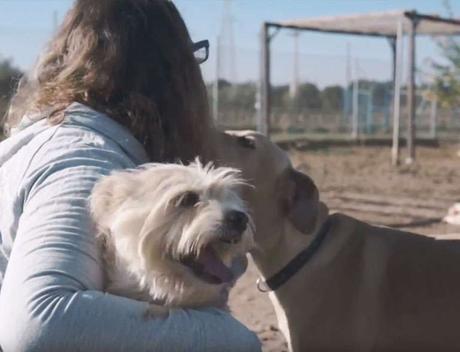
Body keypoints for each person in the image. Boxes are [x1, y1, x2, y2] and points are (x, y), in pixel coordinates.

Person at [0, 1, 261, 351]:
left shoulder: (55, 138)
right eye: (193, 61)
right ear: (172, 76)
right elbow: (40, 323)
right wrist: (231, 340)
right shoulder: (84, 158)